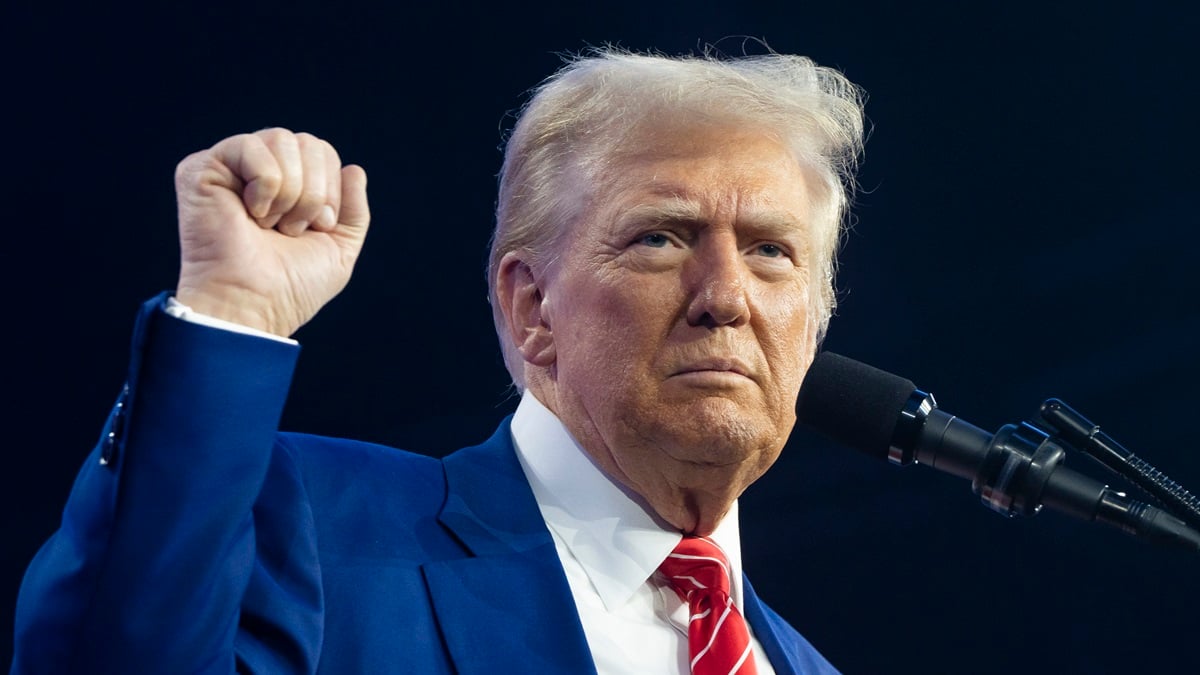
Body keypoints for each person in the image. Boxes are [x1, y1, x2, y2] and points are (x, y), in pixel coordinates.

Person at [11, 47, 865, 674]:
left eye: (771, 252)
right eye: (661, 236)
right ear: (531, 307)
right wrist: (230, 317)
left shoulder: (803, 664)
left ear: (814, 325)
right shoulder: (312, 524)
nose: (726, 294)